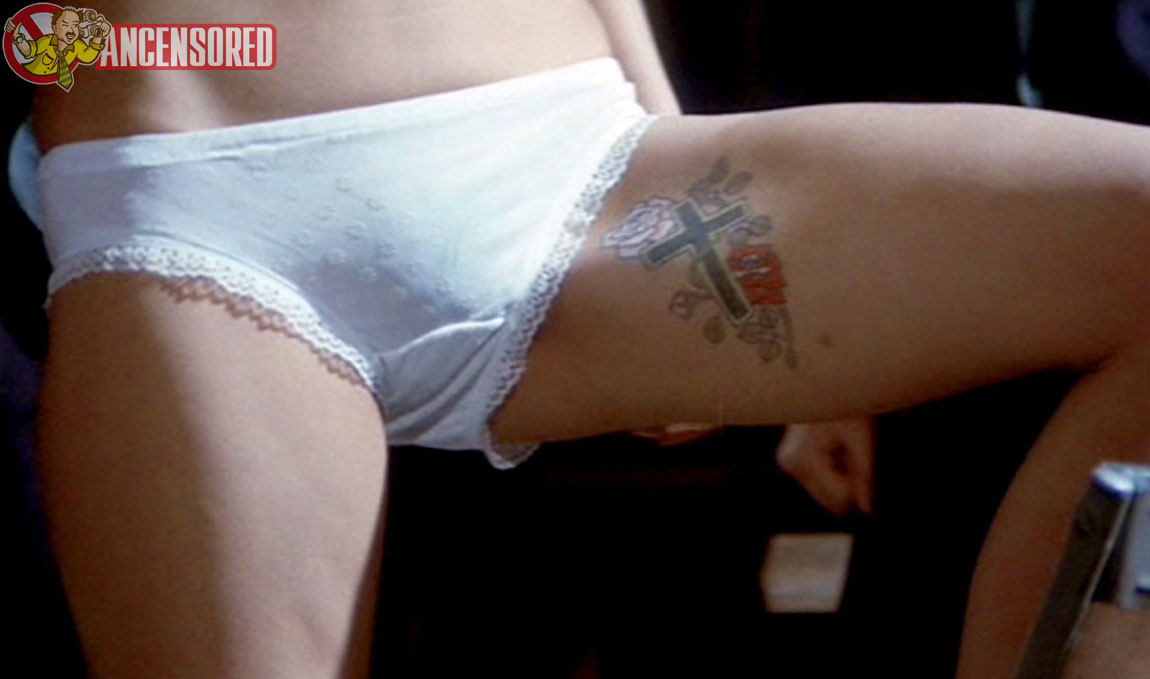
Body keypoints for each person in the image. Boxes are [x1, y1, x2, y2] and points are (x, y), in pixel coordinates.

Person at [16, 1, 1150, 678]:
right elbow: (31, 39)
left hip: (584, 160)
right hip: (204, 217)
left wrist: (664, 122)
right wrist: (196, 48)